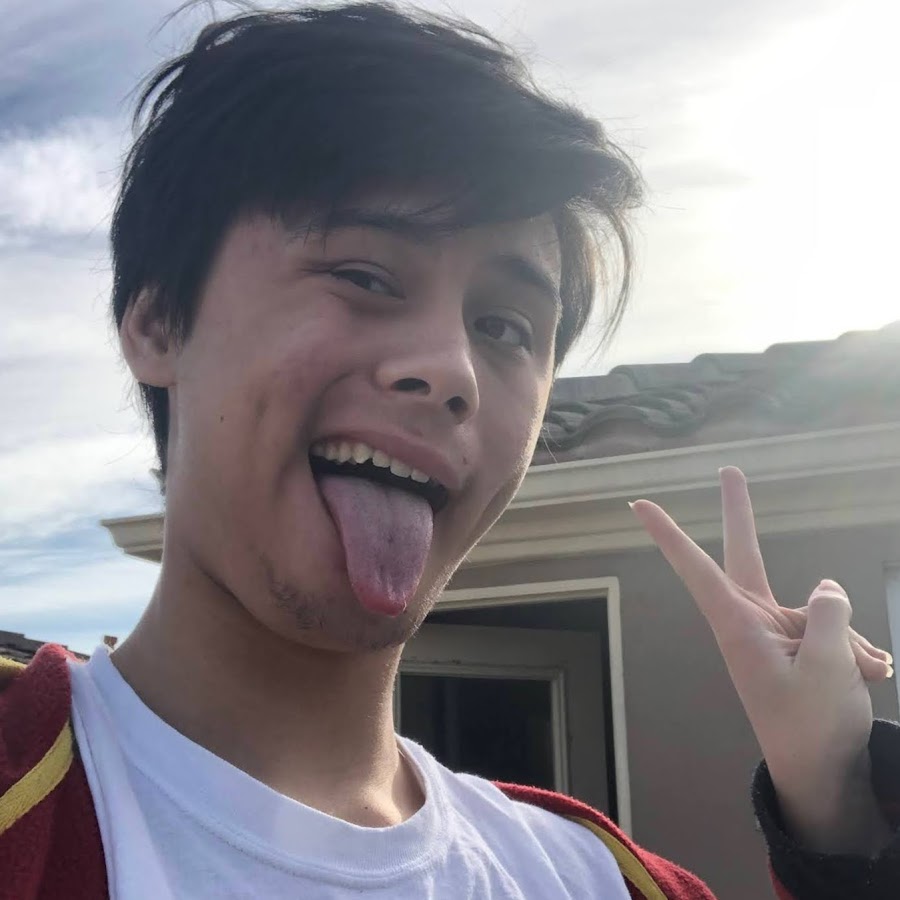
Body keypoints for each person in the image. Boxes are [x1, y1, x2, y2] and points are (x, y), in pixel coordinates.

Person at [0, 3, 896, 898]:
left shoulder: (605, 881)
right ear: (159, 321)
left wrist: (838, 816)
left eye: (504, 326)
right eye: (364, 276)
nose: (451, 371)